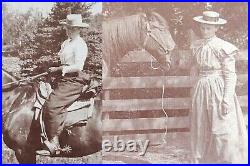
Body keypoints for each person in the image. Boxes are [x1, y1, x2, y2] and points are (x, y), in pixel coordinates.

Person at [189, 11, 248, 163]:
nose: (205, 31)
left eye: (208, 28)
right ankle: (201, 160)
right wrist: (194, 88)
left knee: (221, 129)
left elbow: (230, 75)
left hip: (218, 90)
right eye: (203, 27)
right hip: (201, 89)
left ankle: (227, 160)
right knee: (200, 127)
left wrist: (226, 98)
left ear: (216, 28)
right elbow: (194, 69)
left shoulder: (223, 47)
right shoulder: (197, 46)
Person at [39, 14, 90, 156]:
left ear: (78, 29)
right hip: (63, 78)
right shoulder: (66, 43)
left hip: (74, 80)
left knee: (52, 104)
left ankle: (54, 142)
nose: (68, 30)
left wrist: (59, 69)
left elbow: (78, 66)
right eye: (67, 28)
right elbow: (64, 62)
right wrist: (55, 70)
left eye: (71, 28)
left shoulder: (80, 44)